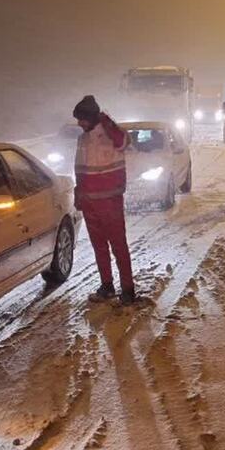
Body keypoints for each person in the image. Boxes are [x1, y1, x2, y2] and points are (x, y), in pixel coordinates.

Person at [72, 95, 136, 305]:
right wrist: (78, 193)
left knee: (118, 245)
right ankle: (107, 285)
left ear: (91, 117)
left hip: (109, 201)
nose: (79, 123)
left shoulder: (109, 134)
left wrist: (108, 122)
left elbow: (124, 142)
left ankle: (128, 290)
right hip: (90, 202)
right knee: (99, 246)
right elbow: (80, 169)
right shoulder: (82, 139)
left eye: (82, 119)